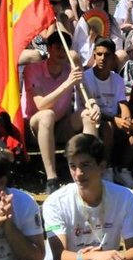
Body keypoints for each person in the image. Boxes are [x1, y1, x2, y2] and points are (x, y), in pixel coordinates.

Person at [21, 30, 96, 194]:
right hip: (33, 127)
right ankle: (51, 178)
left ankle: (91, 171)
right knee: (47, 115)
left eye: (65, 48)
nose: (62, 52)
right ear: (49, 49)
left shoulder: (72, 70)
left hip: (61, 125)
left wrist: (93, 105)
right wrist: (67, 84)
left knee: (88, 115)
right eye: (57, 48)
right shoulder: (32, 70)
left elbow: (87, 97)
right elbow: (41, 105)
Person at [80, 38, 133, 188]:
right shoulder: (86, 77)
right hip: (95, 120)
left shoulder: (117, 78)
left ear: (113, 58)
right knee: (108, 128)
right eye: (99, 54)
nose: (102, 58)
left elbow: (122, 103)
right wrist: (115, 119)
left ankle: (121, 168)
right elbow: (90, 108)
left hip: (114, 119)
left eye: (107, 55)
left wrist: (127, 118)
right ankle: (106, 169)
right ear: (94, 55)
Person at [71, 0, 127, 68]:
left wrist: (107, 44)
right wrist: (91, 39)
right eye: (95, 0)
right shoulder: (84, 20)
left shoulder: (112, 20)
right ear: (91, 3)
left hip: (109, 55)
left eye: (100, 0)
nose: (98, 3)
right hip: (91, 58)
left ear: (104, 2)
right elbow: (78, 45)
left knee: (122, 54)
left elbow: (117, 41)